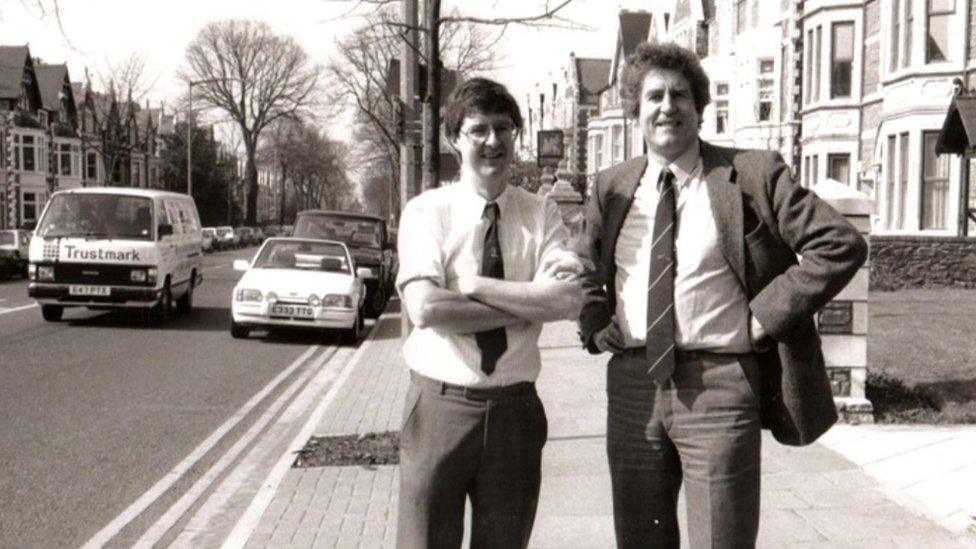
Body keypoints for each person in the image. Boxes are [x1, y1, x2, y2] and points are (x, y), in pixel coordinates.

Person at [577, 42, 868, 548]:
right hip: (632, 386)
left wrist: (766, 315)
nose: (667, 106)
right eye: (653, 97)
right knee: (639, 539)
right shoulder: (613, 186)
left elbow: (839, 244)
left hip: (720, 387)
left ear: (699, 108)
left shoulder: (752, 174)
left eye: (680, 95)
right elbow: (582, 266)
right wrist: (594, 320)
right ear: (635, 111)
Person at [395, 77, 584, 548]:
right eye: (478, 129)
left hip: (514, 411)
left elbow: (566, 300)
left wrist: (476, 286)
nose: (493, 141)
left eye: (504, 128)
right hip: (440, 407)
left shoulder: (542, 215)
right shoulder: (425, 213)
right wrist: (526, 302)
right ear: (454, 139)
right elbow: (427, 308)